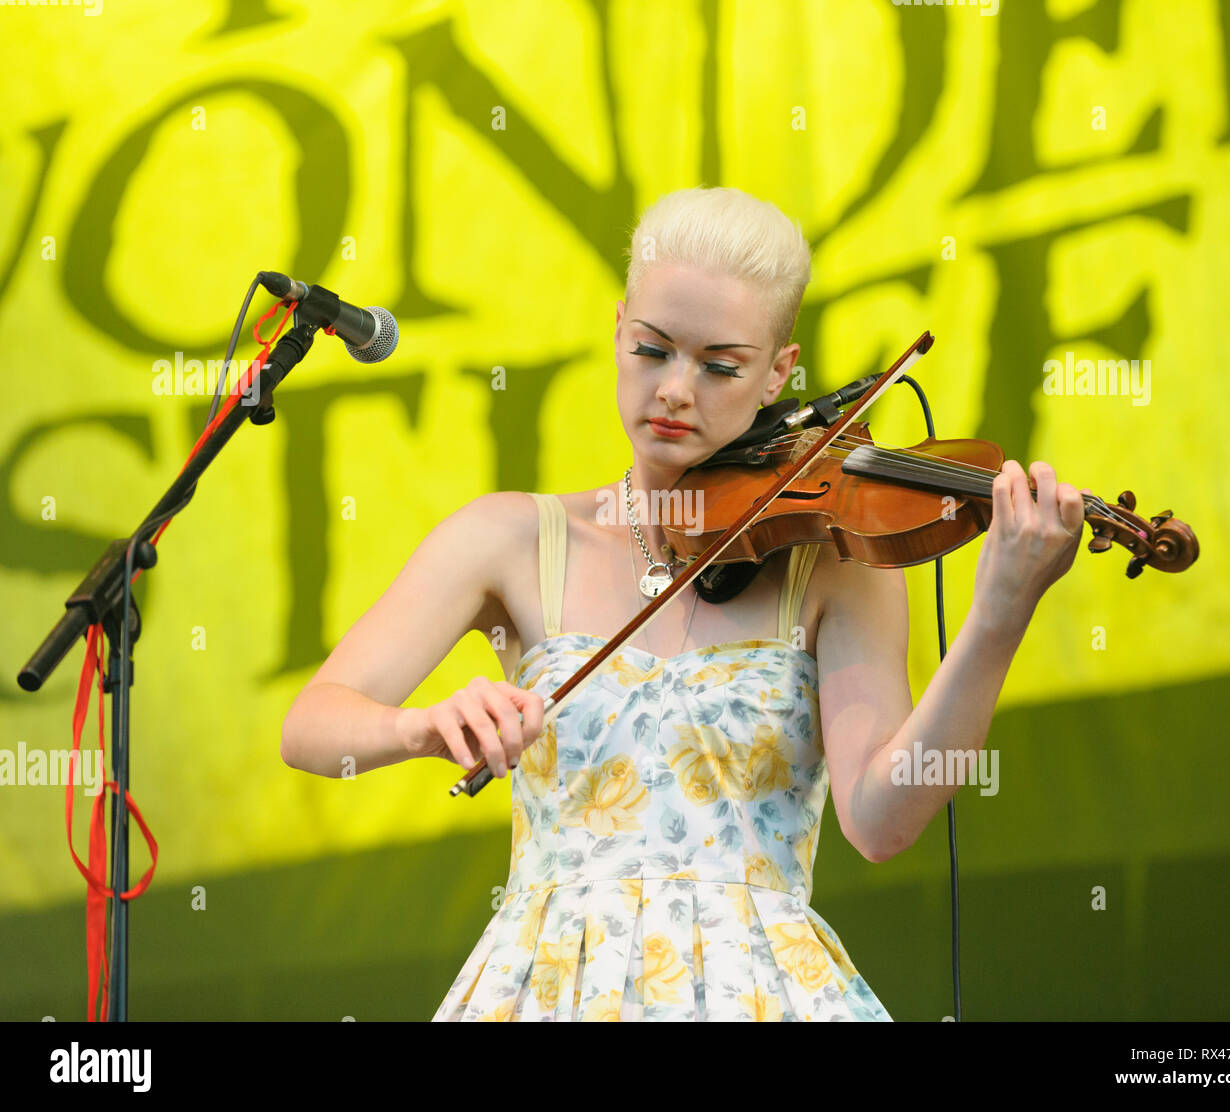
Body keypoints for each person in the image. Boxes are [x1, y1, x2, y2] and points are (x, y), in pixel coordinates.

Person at [280, 185, 1086, 1021]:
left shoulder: (835, 555)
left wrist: (999, 617)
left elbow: (883, 821)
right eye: (652, 349)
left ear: (780, 371)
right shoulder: (513, 538)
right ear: (619, 325)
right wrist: (422, 726)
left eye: (720, 366)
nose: (674, 389)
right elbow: (311, 726)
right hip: (551, 989)